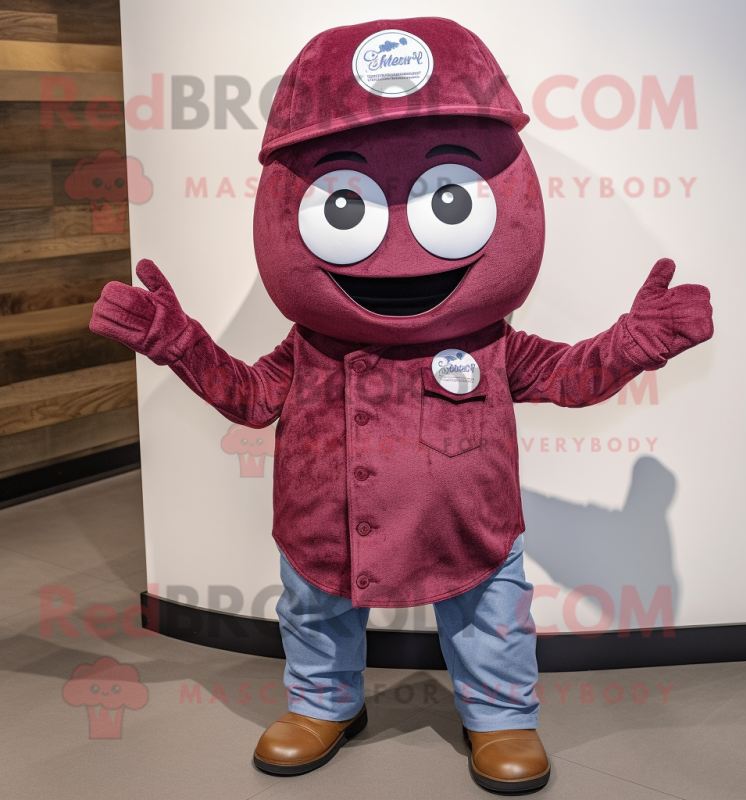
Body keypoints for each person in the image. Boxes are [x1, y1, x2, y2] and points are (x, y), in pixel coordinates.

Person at [90, 18, 713, 794]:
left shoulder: (491, 343)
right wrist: (177, 340)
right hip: (323, 525)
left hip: (472, 528)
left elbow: (570, 376)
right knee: (314, 612)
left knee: (491, 617)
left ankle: (500, 715)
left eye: (444, 198)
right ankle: (323, 702)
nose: (395, 244)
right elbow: (249, 398)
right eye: (346, 204)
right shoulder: (309, 348)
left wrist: (635, 341)